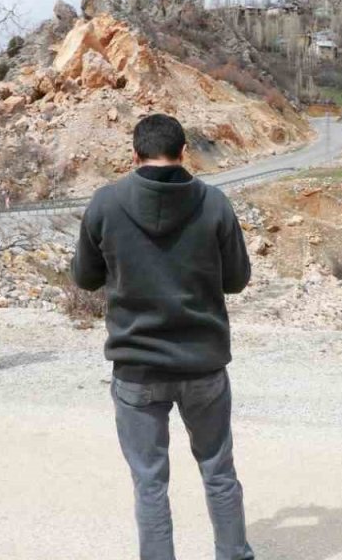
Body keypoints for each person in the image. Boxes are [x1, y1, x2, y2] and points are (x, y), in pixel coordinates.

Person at [71, 113, 255, 560]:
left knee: (150, 481)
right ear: (183, 153)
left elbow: (84, 278)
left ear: (134, 155)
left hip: (137, 367)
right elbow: (236, 279)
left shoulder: (106, 204)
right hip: (203, 363)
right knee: (218, 470)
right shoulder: (214, 204)